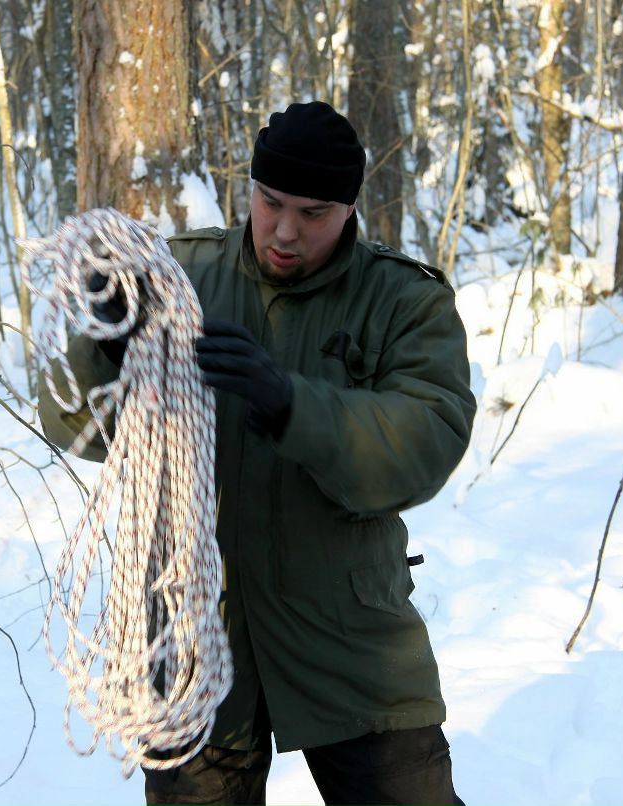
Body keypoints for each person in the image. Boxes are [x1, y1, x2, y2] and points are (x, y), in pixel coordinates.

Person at [39, 101, 477, 806]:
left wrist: (291, 404)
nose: (283, 230)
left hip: (350, 640)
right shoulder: (180, 278)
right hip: (197, 645)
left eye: (314, 212)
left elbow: (427, 441)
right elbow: (75, 428)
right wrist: (106, 346)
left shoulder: (402, 302)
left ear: (350, 208)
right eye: (270, 202)